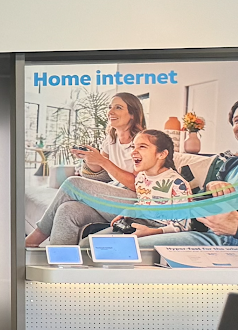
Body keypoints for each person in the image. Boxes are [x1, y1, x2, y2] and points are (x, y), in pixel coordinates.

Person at [27, 92, 147, 247]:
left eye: (118, 107)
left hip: (136, 202)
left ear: (132, 114)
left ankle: (36, 236)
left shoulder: (143, 142)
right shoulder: (111, 140)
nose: (110, 112)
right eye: (110, 107)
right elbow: (99, 173)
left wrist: (103, 161)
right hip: (114, 197)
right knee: (67, 210)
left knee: (73, 183)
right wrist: (89, 159)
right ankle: (61, 259)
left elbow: (139, 185)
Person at [143, 99, 238, 250]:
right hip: (208, 238)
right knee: (124, 246)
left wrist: (236, 227)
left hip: (229, 245)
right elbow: (196, 206)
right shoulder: (231, 164)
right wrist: (210, 187)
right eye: (237, 120)